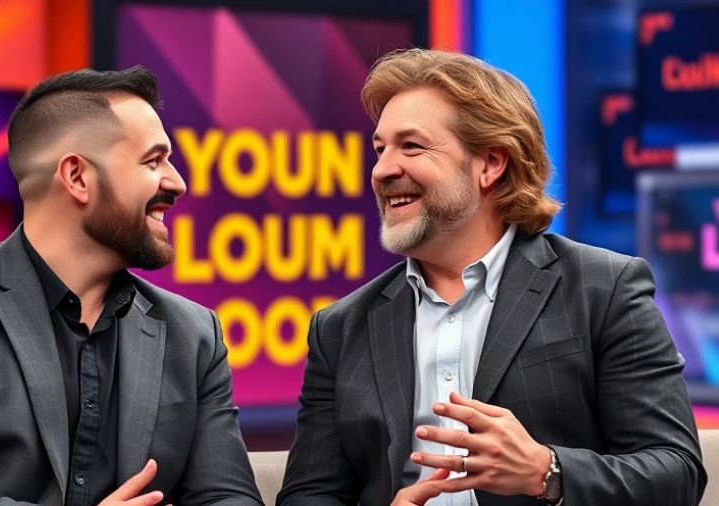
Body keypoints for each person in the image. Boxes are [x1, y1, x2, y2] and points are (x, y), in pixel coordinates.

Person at [277, 48, 707, 506]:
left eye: (412, 146)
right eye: (380, 149)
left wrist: (548, 471)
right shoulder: (340, 327)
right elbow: (309, 494)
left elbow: (675, 473)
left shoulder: (602, 288)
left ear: (491, 164)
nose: (382, 170)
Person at [0, 66, 263, 506]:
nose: (177, 182)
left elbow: (229, 498)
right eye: (153, 160)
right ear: (77, 177)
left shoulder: (196, 333)